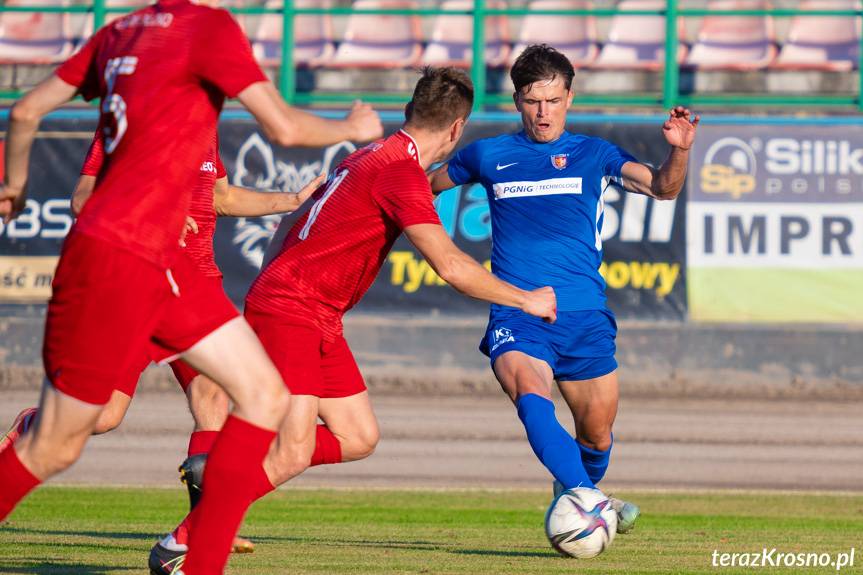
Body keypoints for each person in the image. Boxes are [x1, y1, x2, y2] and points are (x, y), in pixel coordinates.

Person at [0, 0, 382, 572]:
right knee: (73, 434)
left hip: (175, 274)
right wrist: (351, 129)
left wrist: (15, 185)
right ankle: (194, 544)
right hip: (134, 263)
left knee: (247, 396)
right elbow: (283, 126)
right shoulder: (206, 30)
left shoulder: (121, 34)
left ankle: (195, 544)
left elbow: (27, 110)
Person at [149, 66, 558, 569]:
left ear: (409, 111)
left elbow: (290, 224)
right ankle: (184, 542)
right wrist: (526, 299)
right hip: (294, 310)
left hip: (312, 311)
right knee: (292, 450)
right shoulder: (400, 173)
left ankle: (224, 470)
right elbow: (451, 266)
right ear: (457, 129)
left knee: (357, 436)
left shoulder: (366, 155)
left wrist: (276, 280)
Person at [0, 128, 330, 556]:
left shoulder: (206, 128)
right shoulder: (130, 116)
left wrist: (291, 200)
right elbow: (82, 200)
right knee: (102, 417)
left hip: (198, 288)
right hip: (139, 284)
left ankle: (199, 530)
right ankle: (33, 425)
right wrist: (154, 216)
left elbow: (222, 198)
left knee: (214, 399)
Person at [428, 44, 700, 532]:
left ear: (569, 99)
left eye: (553, 101)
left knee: (596, 438)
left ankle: (579, 487)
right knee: (531, 394)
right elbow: (423, 187)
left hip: (584, 316)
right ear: (517, 101)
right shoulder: (487, 155)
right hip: (517, 312)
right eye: (533, 101)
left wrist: (678, 150)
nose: (543, 112)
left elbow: (664, 188)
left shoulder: (595, 154)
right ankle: (590, 503)